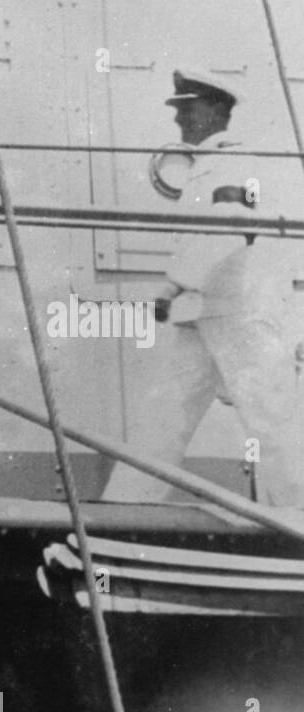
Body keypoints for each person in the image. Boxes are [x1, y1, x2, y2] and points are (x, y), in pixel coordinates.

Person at [101, 69, 304, 508]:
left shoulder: (233, 161)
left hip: (241, 313)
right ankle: (122, 512)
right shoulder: (210, 164)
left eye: (187, 109)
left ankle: (297, 522)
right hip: (204, 313)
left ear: (216, 110)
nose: (179, 121)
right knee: (163, 418)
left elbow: (232, 227)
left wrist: (173, 285)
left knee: (272, 425)